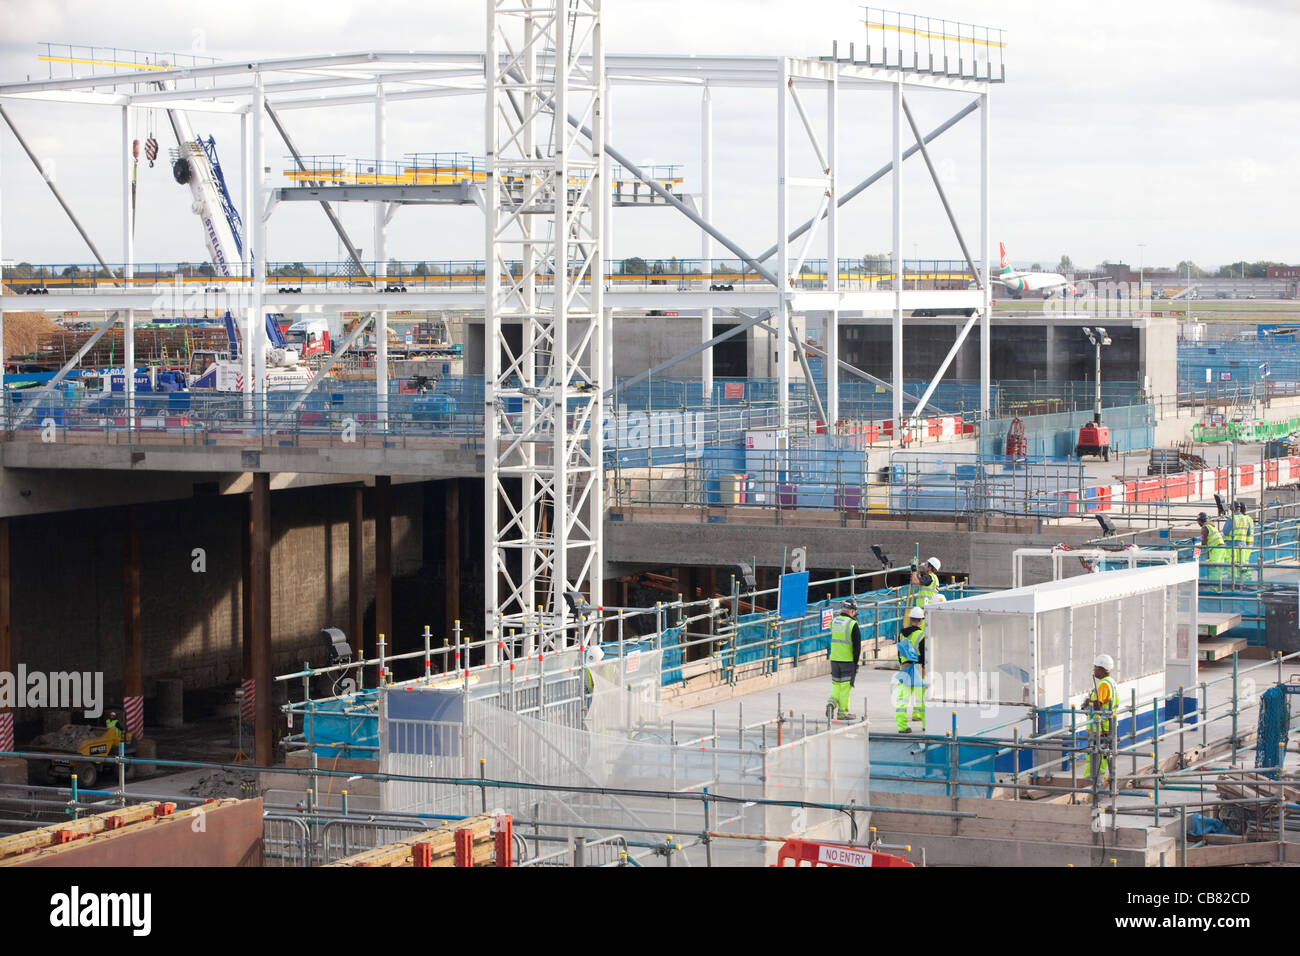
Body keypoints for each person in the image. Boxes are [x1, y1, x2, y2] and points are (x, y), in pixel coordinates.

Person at [1081, 654, 1117, 785]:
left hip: (1100, 726)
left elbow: (1097, 704)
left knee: (1095, 754)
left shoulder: (1103, 685)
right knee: (1104, 754)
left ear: (1102, 669)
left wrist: (1088, 703)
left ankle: (1093, 781)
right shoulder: (1111, 682)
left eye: (1096, 667)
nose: (1094, 670)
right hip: (1108, 725)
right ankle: (1099, 780)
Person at [825, 598, 862, 721]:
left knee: (836, 685)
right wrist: (856, 663)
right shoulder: (853, 624)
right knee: (845, 687)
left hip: (834, 659)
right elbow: (857, 647)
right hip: (847, 660)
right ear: (851, 611)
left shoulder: (834, 621)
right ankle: (842, 713)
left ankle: (831, 703)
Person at [894, 606, 927, 733]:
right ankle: (926, 725)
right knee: (922, 698)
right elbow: (924, 655)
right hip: (918, 668)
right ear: (920, 621)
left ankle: (902, 726)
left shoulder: (902, 634)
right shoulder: (921, 635)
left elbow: (899, 651)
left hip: (905, 667)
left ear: (910, 619)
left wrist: (902, 664)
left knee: (902, 698)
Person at [1197, 511, 1229, 589]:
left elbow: (1203, 541)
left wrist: (1199, 548)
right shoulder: (1211, 526)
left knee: (1214, 568)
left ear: (1200, 521)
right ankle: (1218, 587)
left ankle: (1213, 588)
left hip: (1216, 549)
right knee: (1219, 569)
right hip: (1221, 548)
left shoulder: (1205, 527)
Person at [1228, 501, 1255, 583]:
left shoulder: (1237, 518)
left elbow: (1226, 531)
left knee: (1237, 562)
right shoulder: (1248, 518)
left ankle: (1240, 579)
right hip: (1246, 542)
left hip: (1240, 542)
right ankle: (1246, 579)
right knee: (1243, 562)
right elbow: (1249, 532)